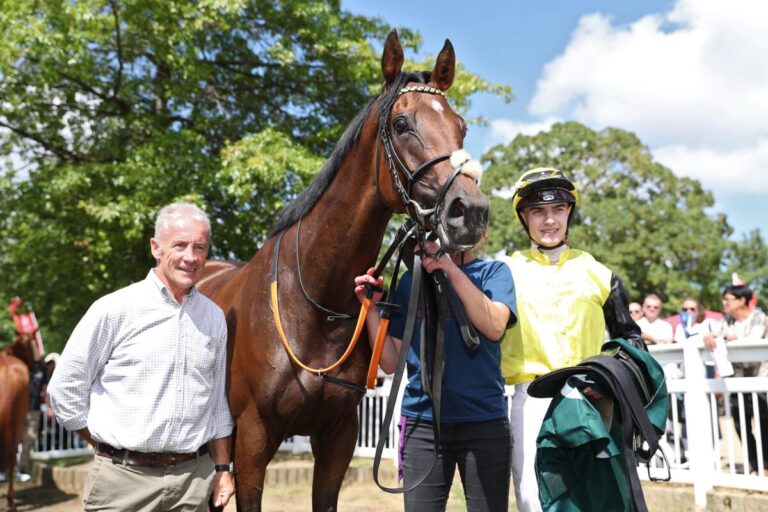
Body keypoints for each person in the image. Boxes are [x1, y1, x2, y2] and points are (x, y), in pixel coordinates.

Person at [48, 202, 235, 511]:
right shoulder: (114, 309)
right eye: (180, 245)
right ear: (156, 248)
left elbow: (216, 405)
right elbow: (65, 389)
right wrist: (103, 444)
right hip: (122, 484)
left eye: (200, 247)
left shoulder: (213, 318)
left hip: (193, 483)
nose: (191, 257)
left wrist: (222, 470)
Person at [498, 167, 643, 512]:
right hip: (532, 398)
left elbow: (631, 339)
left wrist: (609, 382)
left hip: (591, 398)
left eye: (558, 210)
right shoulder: (505, 271)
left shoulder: (599, 273)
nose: (549, 220)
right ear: (523, 218)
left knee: (593, 497)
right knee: (535, 498)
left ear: (569, 213)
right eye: (538, 211)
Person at [354, 233, 517, 511]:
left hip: (484, 421)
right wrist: (371, 309)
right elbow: (390, 363)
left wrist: (449, 268)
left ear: (483, 230)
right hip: (423, 423)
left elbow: (494, 326)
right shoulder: (410, 282)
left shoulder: (494, 273)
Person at [704, 284, 767, 475]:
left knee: (764, 424)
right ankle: (755, 464)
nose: (724, 302)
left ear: (742, 300)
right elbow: (712, 337)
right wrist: (711, 336)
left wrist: (722, 338)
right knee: (740, 425)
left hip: (761, 380)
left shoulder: (759, 318)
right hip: (735, 381)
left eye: (728, 299)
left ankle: (765, 465)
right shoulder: (726, 321)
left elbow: (751, 342)